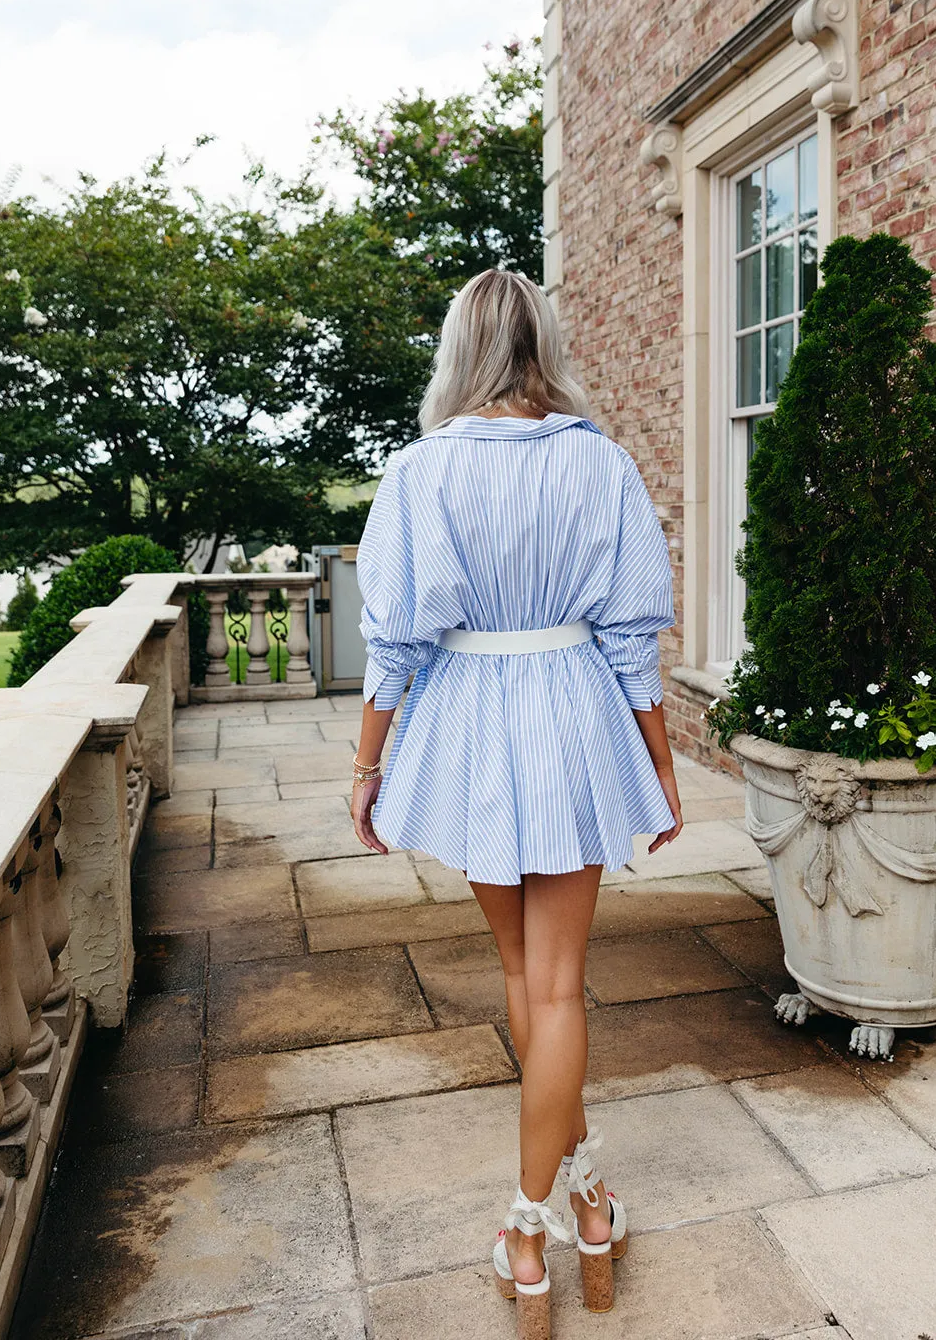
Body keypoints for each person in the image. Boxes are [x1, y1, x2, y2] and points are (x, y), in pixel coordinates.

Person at [351, 268, 683, 1336]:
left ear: (458, 350)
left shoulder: (419, 470)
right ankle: (586, 1207)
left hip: (473, 727)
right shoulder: (601, 460)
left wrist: (368, 766)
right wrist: (661, 764)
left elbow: (393, 640)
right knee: (558, 988)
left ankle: (526, 1232)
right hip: (575, 715)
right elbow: (631, 634)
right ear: (546, 341)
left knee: (522, 979)